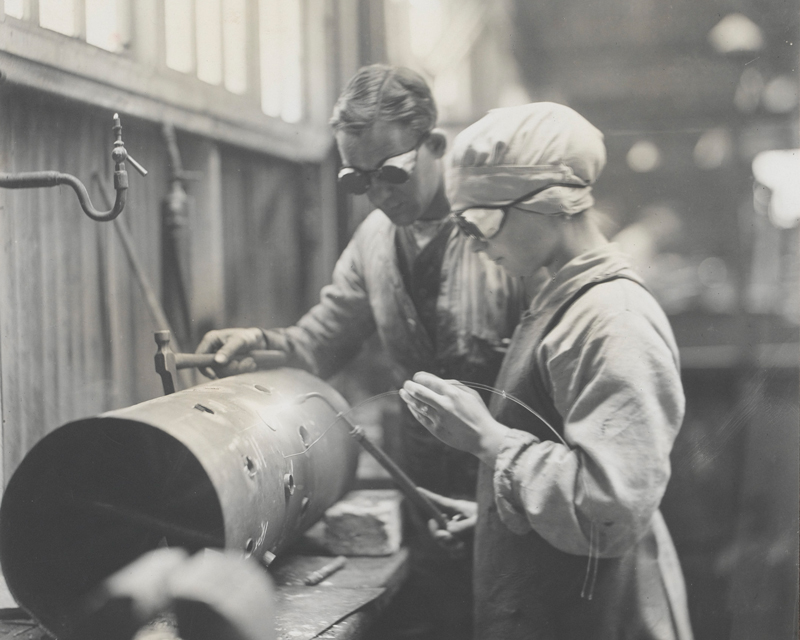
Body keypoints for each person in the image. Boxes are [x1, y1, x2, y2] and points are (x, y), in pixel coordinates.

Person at [195, 65, 527, 639]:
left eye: (392, 174)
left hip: (514, 498)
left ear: (435, 145)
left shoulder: (503, 229)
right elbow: (320, 343)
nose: (377, 194)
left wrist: (516, 504)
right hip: (425, 498)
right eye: (358, 179)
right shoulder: (373, 242)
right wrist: (263, 343)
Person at [400, 102, 694, 640]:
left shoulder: (613, 321)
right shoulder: (559, 299)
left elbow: (609, 510)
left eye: (481, 220)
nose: (473, 241)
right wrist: (498, 520)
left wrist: (487, 439)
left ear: (548, 204)